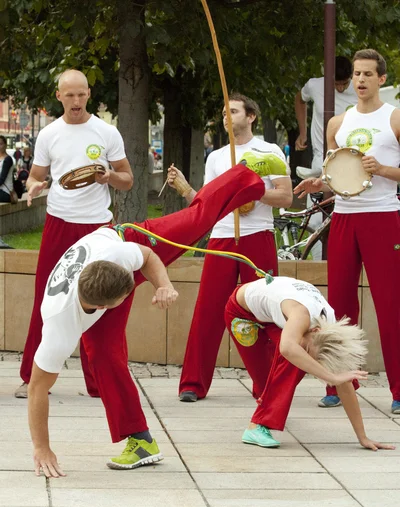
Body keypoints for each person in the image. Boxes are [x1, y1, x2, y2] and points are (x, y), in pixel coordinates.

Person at [28, 154, 276, 477]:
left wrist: (164, 285)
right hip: (88, 289)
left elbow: (146, 256)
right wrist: (41, 448)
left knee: (197, 220)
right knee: (102, 354)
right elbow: (36, 389)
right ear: (105, 309)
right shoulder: (59, 325)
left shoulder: (119, 253)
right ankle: (140, 440)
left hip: (130, 238)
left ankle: (244, 172)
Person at [15, 69, 134, 399]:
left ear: (89, 94)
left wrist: (109, 176)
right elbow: (35, 177)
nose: (77, 101)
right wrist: (35, 185)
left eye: (81, 94)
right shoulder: (50, 134)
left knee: (100, 300)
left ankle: (99, 381)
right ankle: (30, 376)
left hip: (97, 225)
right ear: (59, 96)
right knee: (46, 297)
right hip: (59, 222)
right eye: (70, 95)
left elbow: (127, 179)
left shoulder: (106, 132)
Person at [294, 49, 400, 414]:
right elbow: (339, 175)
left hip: (383, 216)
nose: (360, 80)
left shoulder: (395, 118)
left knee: (391, 304)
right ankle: (338, 384)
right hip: (343, 217)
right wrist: (316, 183)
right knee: (337, 304)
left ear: (381, 79)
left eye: (368, 74)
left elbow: (388, 172)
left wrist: (384, 169)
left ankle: (399, 390)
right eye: (356, 74)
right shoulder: (339, 123)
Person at [167, 93, 292, 403]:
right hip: (222, 237)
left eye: (233, 111)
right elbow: (209, 205)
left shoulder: (269, 151)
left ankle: (266, 383)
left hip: (257, 235)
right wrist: (188, 191)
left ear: (251, 116)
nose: (226, 116)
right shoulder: (217, 157)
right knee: (208, 310)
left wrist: (253, 193)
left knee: (263, 309)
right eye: (224, 111)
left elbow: (286, 197)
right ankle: (193, 383)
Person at [225, 276, 395, 452]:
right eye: (311, 351)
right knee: (287, 359)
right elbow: (288, 348)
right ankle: (262, 418)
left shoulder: (329, 330)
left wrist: (363, 437)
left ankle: (258, 426)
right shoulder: (302, 315)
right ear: (315, 330)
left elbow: (343, 383)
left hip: (273, 317)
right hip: (242, 313)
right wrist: (330, 377)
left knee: (294, 359)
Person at [295, 56, 358, 177]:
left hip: (350, 153)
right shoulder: (315, 85)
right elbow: (299, 99)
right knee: (319, 191)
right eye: (336, 84)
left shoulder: (359, 89)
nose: (340, 88)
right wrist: (303, 133)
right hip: (321, 153)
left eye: (344, 83)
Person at [0, 135, 15, 203]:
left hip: (6, 192)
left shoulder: (7, 159)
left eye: (1, 144)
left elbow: (1, 179)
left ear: (5, 145)